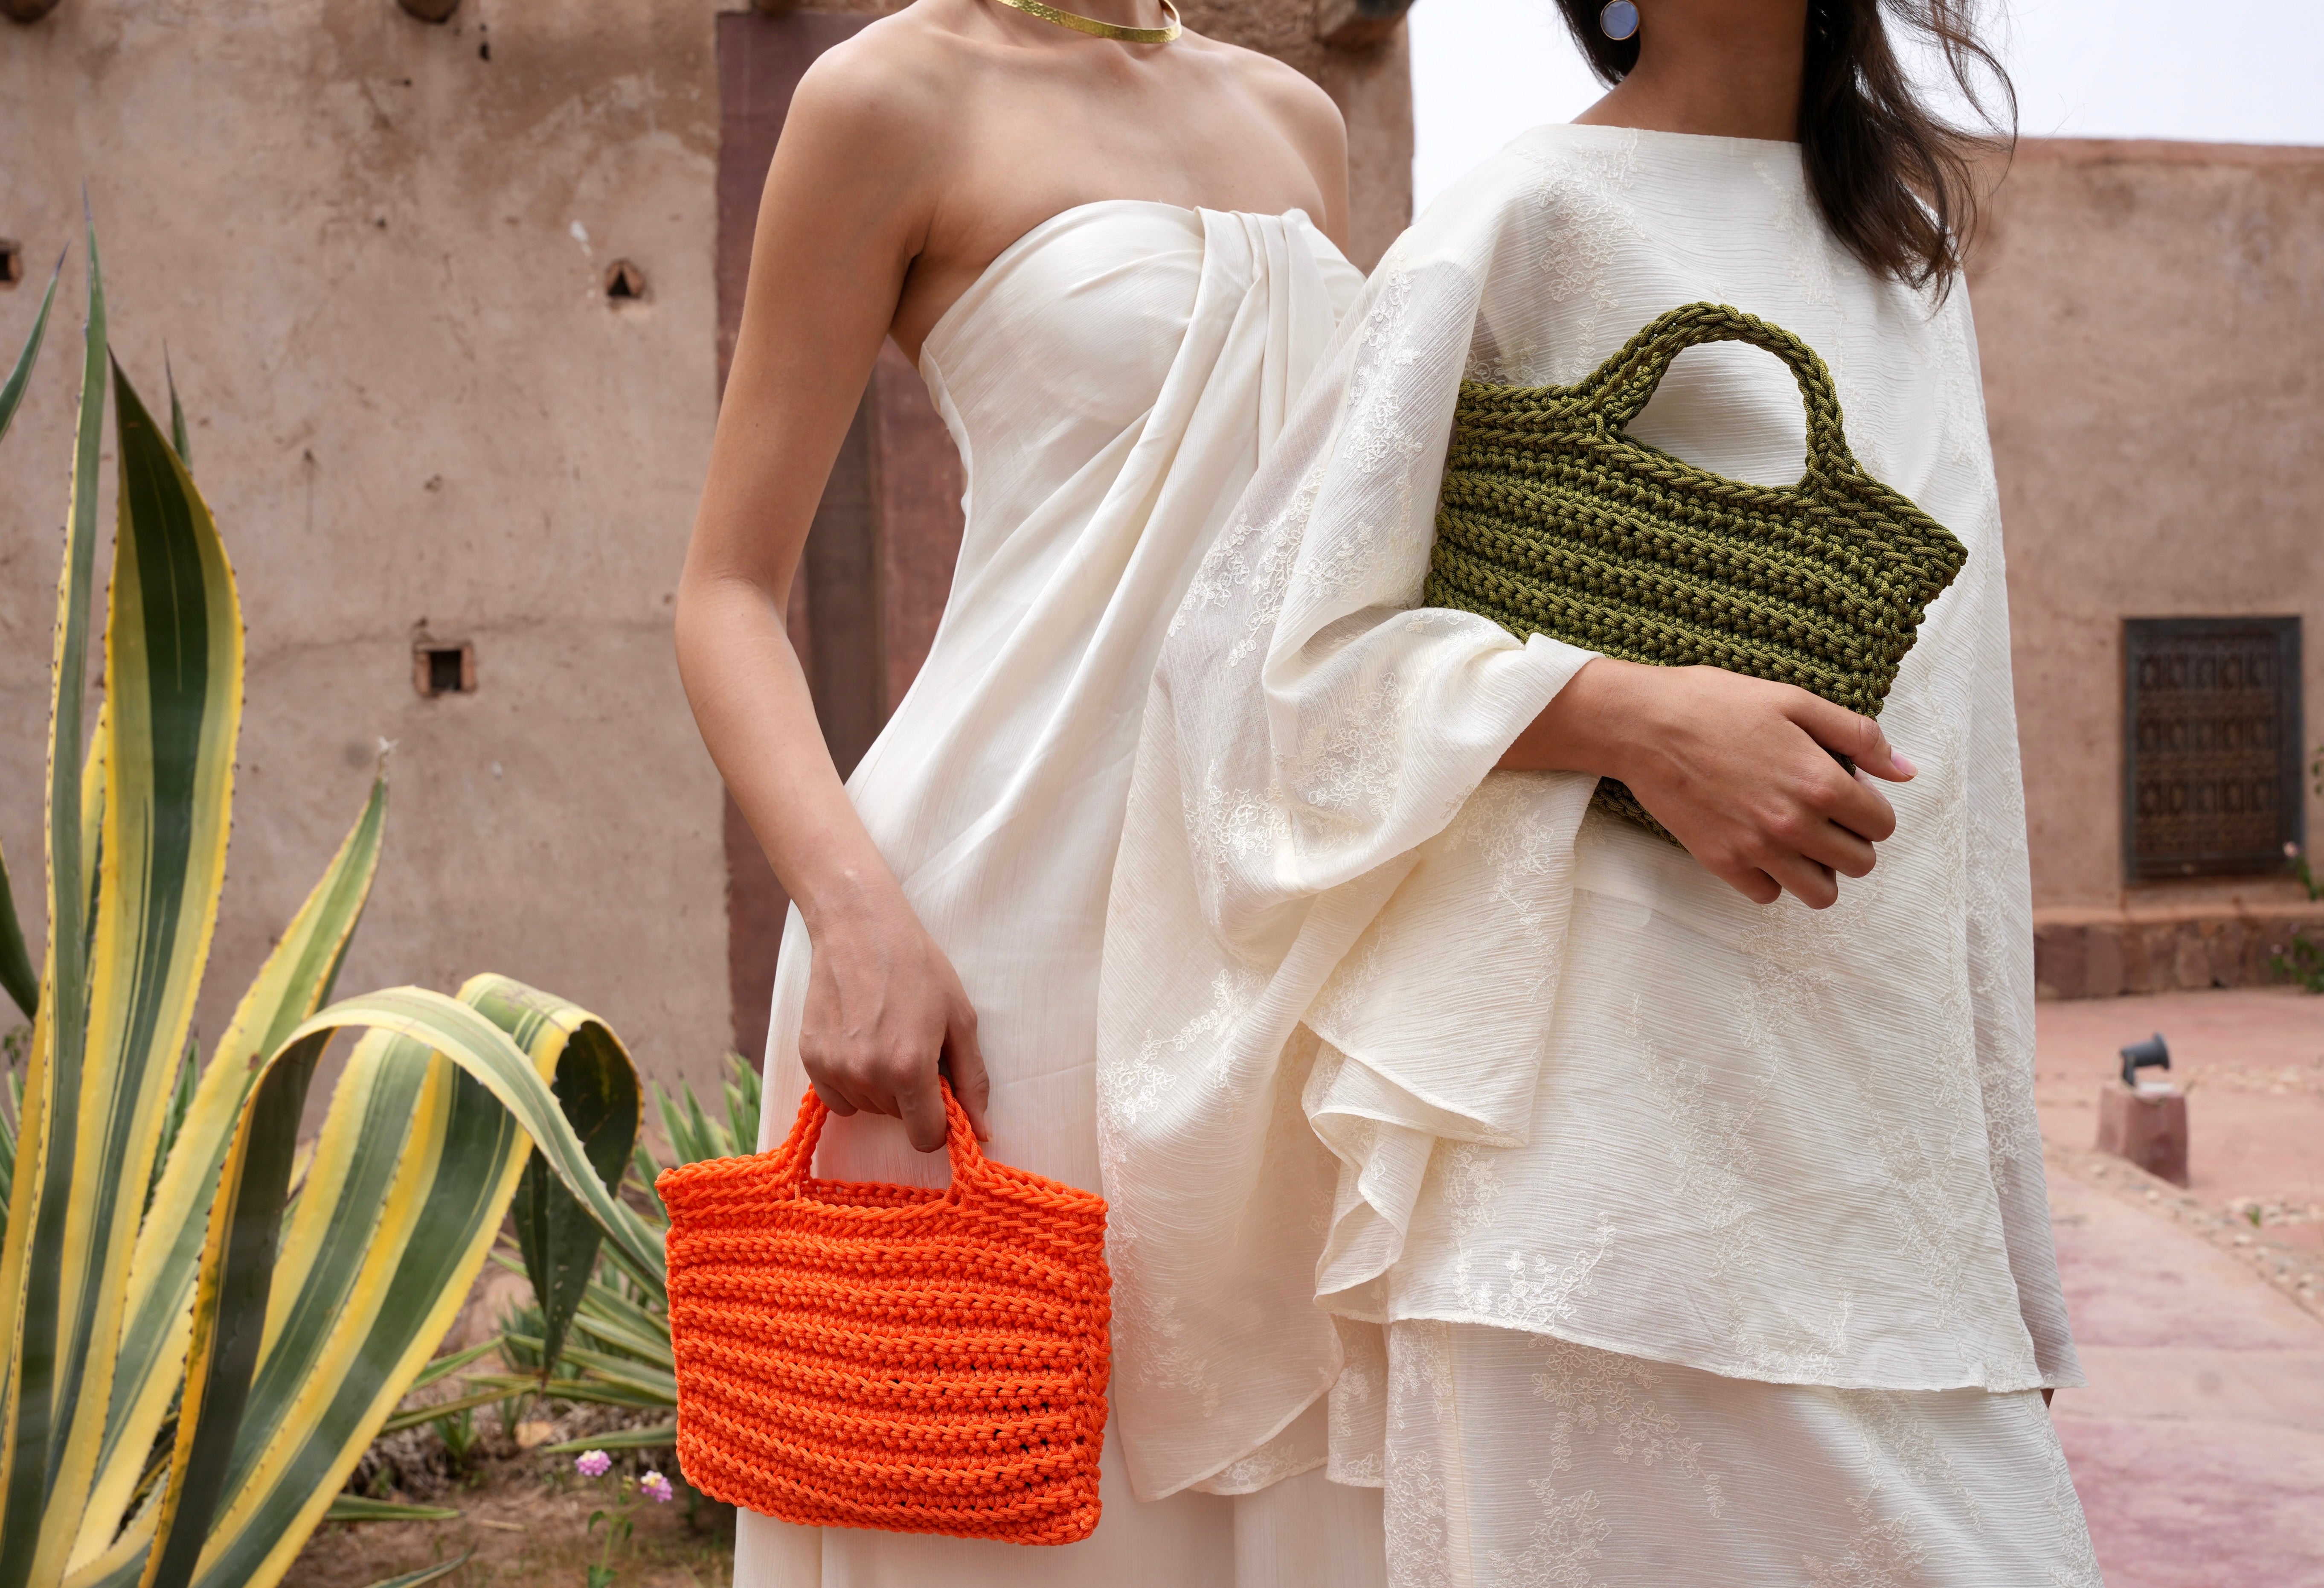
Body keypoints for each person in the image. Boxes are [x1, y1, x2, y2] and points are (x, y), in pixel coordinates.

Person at [1098, 0, 2104, 1581]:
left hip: (1871, 1174)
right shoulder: (1530, 211)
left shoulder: (1907, 259)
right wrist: (1625, 713)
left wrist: (2004, 1259)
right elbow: (1262, 664)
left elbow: (1966, 795)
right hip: (1579, 1168)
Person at [673, 1, 1388, 1583]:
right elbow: (723, 591)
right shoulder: (889, 93)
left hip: (1282, 939)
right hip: (991, 952)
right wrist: (857, 919)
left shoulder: (1297, 118)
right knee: (1000, 1516)